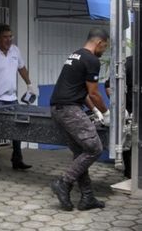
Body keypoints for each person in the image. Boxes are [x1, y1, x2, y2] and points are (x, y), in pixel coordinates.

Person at [49, 28, 110, 211]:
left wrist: (93, 110)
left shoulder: (75, 55)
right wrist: (106, 113)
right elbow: (93, 93)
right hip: (69, 109)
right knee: (94, 148)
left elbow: (80, 91)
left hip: (59, 108)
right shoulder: (92, 60)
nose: (104, 51)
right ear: (99, 42)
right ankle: (64, 182)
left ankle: (87, 197)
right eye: (105, 47)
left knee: (80, 154)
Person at [0, 24, 36, 172]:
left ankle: (17, 160)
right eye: (5, 36)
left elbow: (22, 68)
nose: (9, 39)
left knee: (17, 129)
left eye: (10, 36)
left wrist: (29, 84)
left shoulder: (15, 51)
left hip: (12, 98)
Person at [104, 55, 133, 178]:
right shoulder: (128, 63)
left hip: (126, 109)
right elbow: (108, 86)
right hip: (132, 109)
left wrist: (116, 103)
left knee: (127, 141)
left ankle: (129, 173)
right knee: (128, 141)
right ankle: (131, 172)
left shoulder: (126, 62)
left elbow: (108, 86)